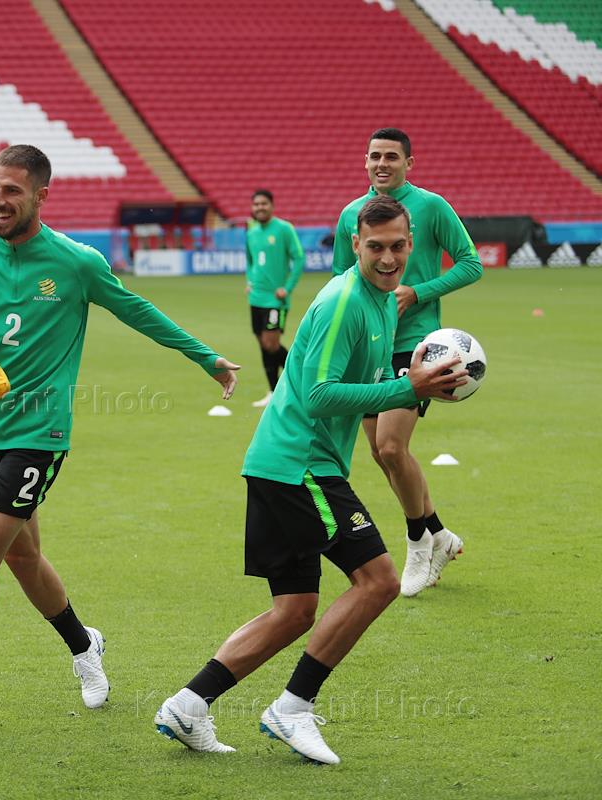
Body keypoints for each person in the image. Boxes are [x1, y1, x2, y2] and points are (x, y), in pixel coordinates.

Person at [0, 144, 240, 723]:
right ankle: (85, 646)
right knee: (23, 556)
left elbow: (137, 311)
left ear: (41, 196)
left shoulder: (76, 263)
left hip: (41, 432)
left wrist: (206, 358)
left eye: (11, 190)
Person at [154, 195, 468, 764]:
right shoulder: (347, 302)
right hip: (301, 465)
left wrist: (412, 380)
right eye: (376, 247)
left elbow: (358, 387)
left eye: (399, 246)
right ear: (355, 244)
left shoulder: (382, 302)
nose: (389, 258)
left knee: (295, 610)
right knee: (378, 581)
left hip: (279, 464)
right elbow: (320, 396)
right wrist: (408, 388)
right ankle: (293, 707)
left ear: (411, 244)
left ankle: (188, 705)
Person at [332, 128, 482, 597]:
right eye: (375, 156)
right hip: (369, 345)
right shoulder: (351, 214)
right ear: (365, 161)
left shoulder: (431, 207)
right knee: (380, 453)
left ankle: (418, 544)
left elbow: (471, 263)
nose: (382, 163)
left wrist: (418, 292)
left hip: (416, 345)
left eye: (391, 157)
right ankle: (439, 534)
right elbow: (340, 277)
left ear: (408, 163)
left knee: (393, 447)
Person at [245, 189, 305, 408]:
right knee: (263, 345)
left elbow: (299, 258)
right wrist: (249, 280)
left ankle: (302, 374)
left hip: (274, 300)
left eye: (264, 204)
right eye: (256, 204)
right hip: (256, 298)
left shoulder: (284, 229)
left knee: (271, 344)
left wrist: (287, 288)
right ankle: (273, 391)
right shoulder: (251, 232)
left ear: (272, 205)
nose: (260, 207)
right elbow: (250, 261)